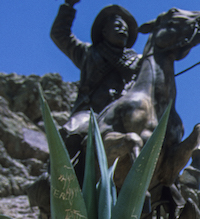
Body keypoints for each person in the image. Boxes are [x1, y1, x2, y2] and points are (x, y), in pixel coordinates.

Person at [51, 0, 141, 155]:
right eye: (117, 25)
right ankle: (61, 169)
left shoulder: (138, 61)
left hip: (124, 116)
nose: (123, 29)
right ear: (104, 32)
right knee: (72, 133)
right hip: (91, 113)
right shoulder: (87, 53)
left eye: (125, 27)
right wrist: (68, 6)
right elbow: (60, 34)